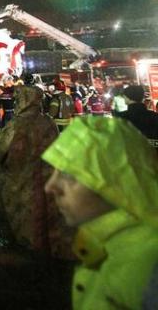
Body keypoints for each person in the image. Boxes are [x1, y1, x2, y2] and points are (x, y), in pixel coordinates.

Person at [42, 117, 158, 309]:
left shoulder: (149, 267)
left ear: (115, 183)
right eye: (54, 172)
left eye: (69, 176)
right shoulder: (105, 243)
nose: (50, 187)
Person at [0, 85, 73, 258]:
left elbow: (1, 149)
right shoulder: (47, 122)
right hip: (45, 173)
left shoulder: (15, 124)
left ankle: (27, 244)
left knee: (24, 210)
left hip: (20, 175)